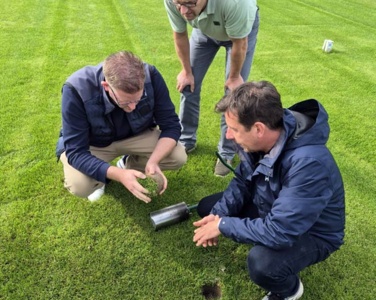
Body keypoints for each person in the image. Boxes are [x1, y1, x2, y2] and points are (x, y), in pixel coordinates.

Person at [192, 81, 345, 299]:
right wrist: (218, 216)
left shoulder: (309, 164)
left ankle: (289, 290)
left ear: (258, 129)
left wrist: (224, 226)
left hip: (313, 232)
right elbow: (242, 181)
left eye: (234, 129)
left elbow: (280, 231)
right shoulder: (264, 137)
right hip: (275, 204)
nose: (229, 136)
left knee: (262, 263)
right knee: (209, 209)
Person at [56, 51, 187, 202]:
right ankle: (102, 178)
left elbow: (171, 125)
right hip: (92, 144)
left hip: (136, 136)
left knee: (178, 156)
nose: (132, 107)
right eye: (125, 102)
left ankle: (128, 165)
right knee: (80, 185)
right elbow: (76, 152)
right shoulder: (76, 89)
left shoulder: (151, 75)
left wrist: (154, 161)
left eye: (138, 100)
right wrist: (117, 174)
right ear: (106, 86)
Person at [164, 0, 259, 176]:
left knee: (234, 95)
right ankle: (186, 140)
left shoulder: (236, 4)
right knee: (187, 84)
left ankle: (226, 153)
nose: (183, 10)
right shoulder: (174, 1)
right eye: (179, 4)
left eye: (189, 3)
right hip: (203, 31)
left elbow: (240, 43)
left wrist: (234, 77)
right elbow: (179, 34)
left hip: (238, 36)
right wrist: (186, 71)